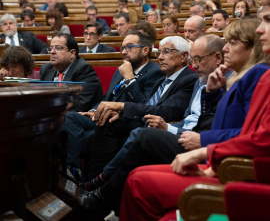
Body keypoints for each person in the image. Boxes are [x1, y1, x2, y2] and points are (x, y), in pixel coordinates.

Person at [79, 17, 270, 219]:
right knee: (126, 151)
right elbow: (218, 120)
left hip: (227, 162)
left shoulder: (257, 74)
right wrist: (211, 94)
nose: (225, 50)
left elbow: (253, 135)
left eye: (232, 43)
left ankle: (99, 197)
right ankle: (99, 193)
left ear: (251, 48)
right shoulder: (233, 77)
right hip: (214, 150)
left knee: (143, 142)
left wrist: (204, 144)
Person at [82, 34, 224, 192]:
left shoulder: (191, 79)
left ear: (184, 56)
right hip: (163, 125)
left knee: (138, 133)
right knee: (98, 125)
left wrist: (124, 101)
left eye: (166, 52)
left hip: (182, 133)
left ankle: (100, 185)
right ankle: (92, 184)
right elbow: (183, 115)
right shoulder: (188, 81)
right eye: (159, 53)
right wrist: (121, 113)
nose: (161, 57)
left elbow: (166, 112)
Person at [61, 31, 164, 168]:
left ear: (145, 50)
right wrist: (94, 110)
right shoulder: (121, 69)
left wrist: (129, 78)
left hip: (122, 120)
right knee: (70, 118)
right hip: (103, 115)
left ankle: (76, 172)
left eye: (129, 47)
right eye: (122, 48)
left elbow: (143, 104)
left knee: (88, 137)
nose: (123, 52)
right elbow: (108, 97)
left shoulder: (155, 72)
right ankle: (73, 169)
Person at [40, 33, 103, 112]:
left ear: (72, 53)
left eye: (58, 48)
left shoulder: (83, 70)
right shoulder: (46, 69)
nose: (52, 52)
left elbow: (79, 106)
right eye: (51, 48)